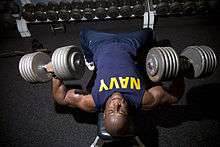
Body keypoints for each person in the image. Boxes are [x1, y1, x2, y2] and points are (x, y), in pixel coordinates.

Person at [46, 28, 185, 137]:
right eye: (122, 111)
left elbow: (62, 99)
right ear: (129, 114)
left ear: (104, 114)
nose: (117, 104)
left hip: (99, 44)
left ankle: (90, 60)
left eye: (112, 110)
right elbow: (174, 96)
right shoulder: (143, 99)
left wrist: (54, 73)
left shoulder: (93, 101)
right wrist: (180, 71)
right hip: (131, 43)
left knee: (83, 32)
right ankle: (146, 55)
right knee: (149, 33)